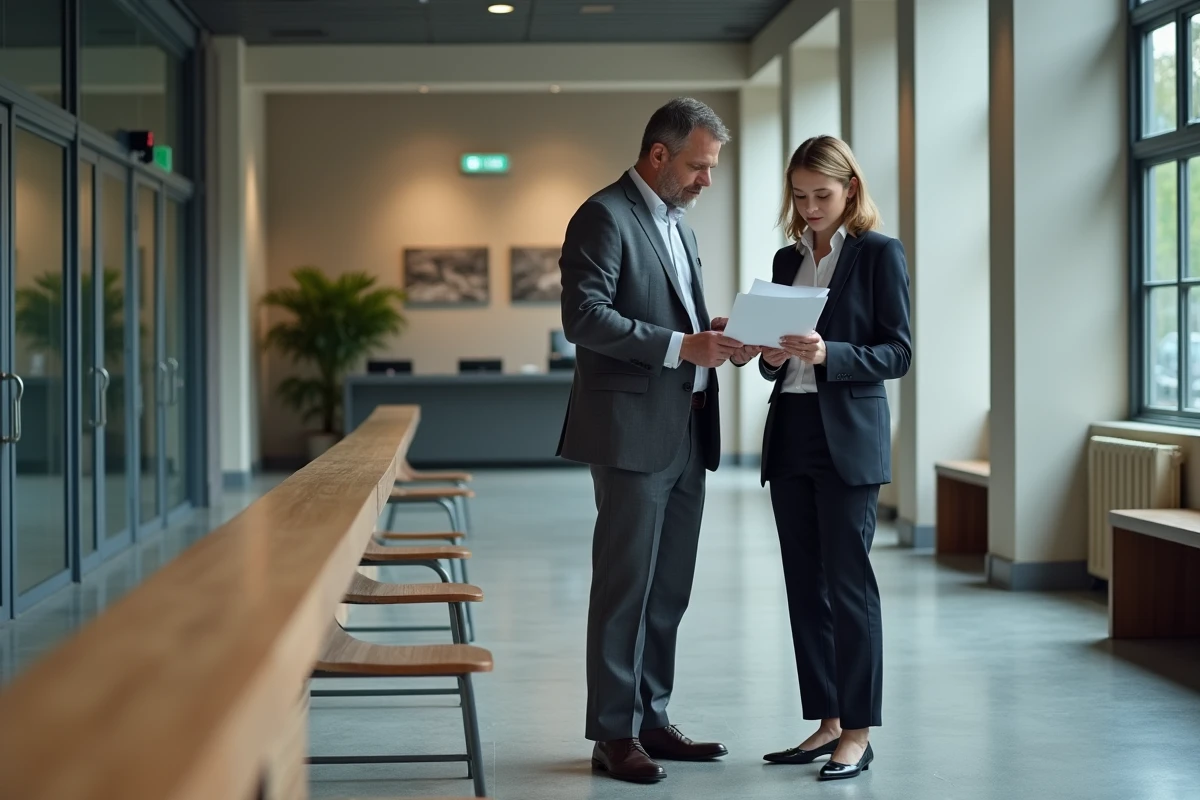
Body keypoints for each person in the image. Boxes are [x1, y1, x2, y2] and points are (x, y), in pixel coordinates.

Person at [557, 97, 742, 784]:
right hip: (632, 434)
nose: (706, 180)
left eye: (712, 168)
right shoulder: (603, 216)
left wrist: (711, 332)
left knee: (668, 590)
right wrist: (679, 346)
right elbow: (584, 317)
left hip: (688, 429)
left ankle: (651, 718)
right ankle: (613, 733)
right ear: (658, 155)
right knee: (625, 587)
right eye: (698, 166)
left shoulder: (678, 225)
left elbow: (677, 318)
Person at [734, 135, 912, 781]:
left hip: (848, 436)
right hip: (792, 430)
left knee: (848, 583)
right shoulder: (788, 259)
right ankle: (828, 722)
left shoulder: (878, 254)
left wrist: (829, 353)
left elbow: (898, 352)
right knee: (804, 585)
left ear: (850, 189)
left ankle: (858, 733)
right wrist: (770, 356)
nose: (810, 208)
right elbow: (774, 364)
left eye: (822, 195)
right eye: (800, 196)